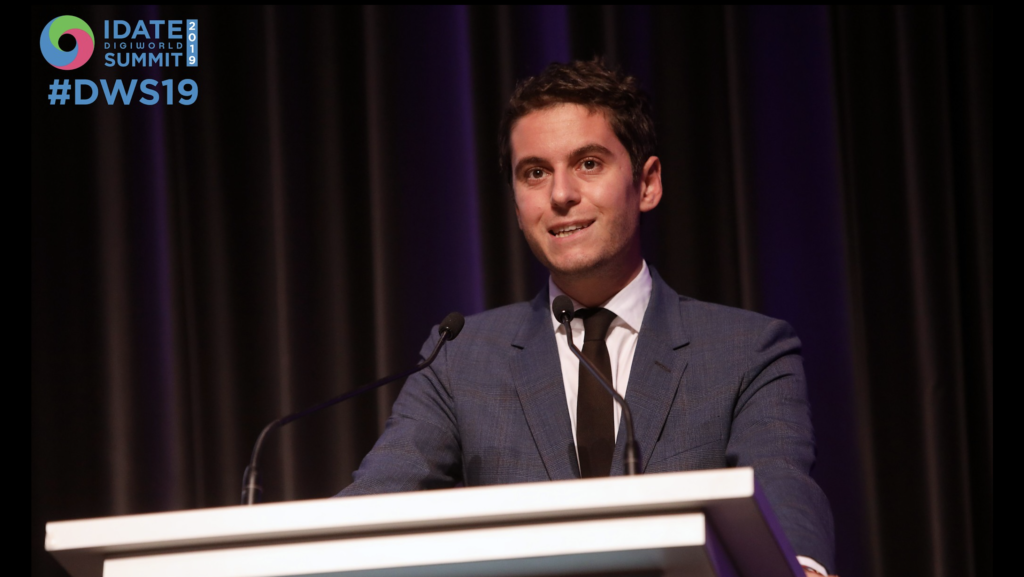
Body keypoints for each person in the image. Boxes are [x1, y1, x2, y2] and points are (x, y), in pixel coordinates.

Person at [340, 59, 835, 576]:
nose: (560, 195)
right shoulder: (460, 357)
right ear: (515, 202)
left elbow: (782, 484)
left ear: (647, 184)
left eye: (589, 163)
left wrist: (801, 568)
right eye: (535, 173)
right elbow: (373, 505)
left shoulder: (749, 350)